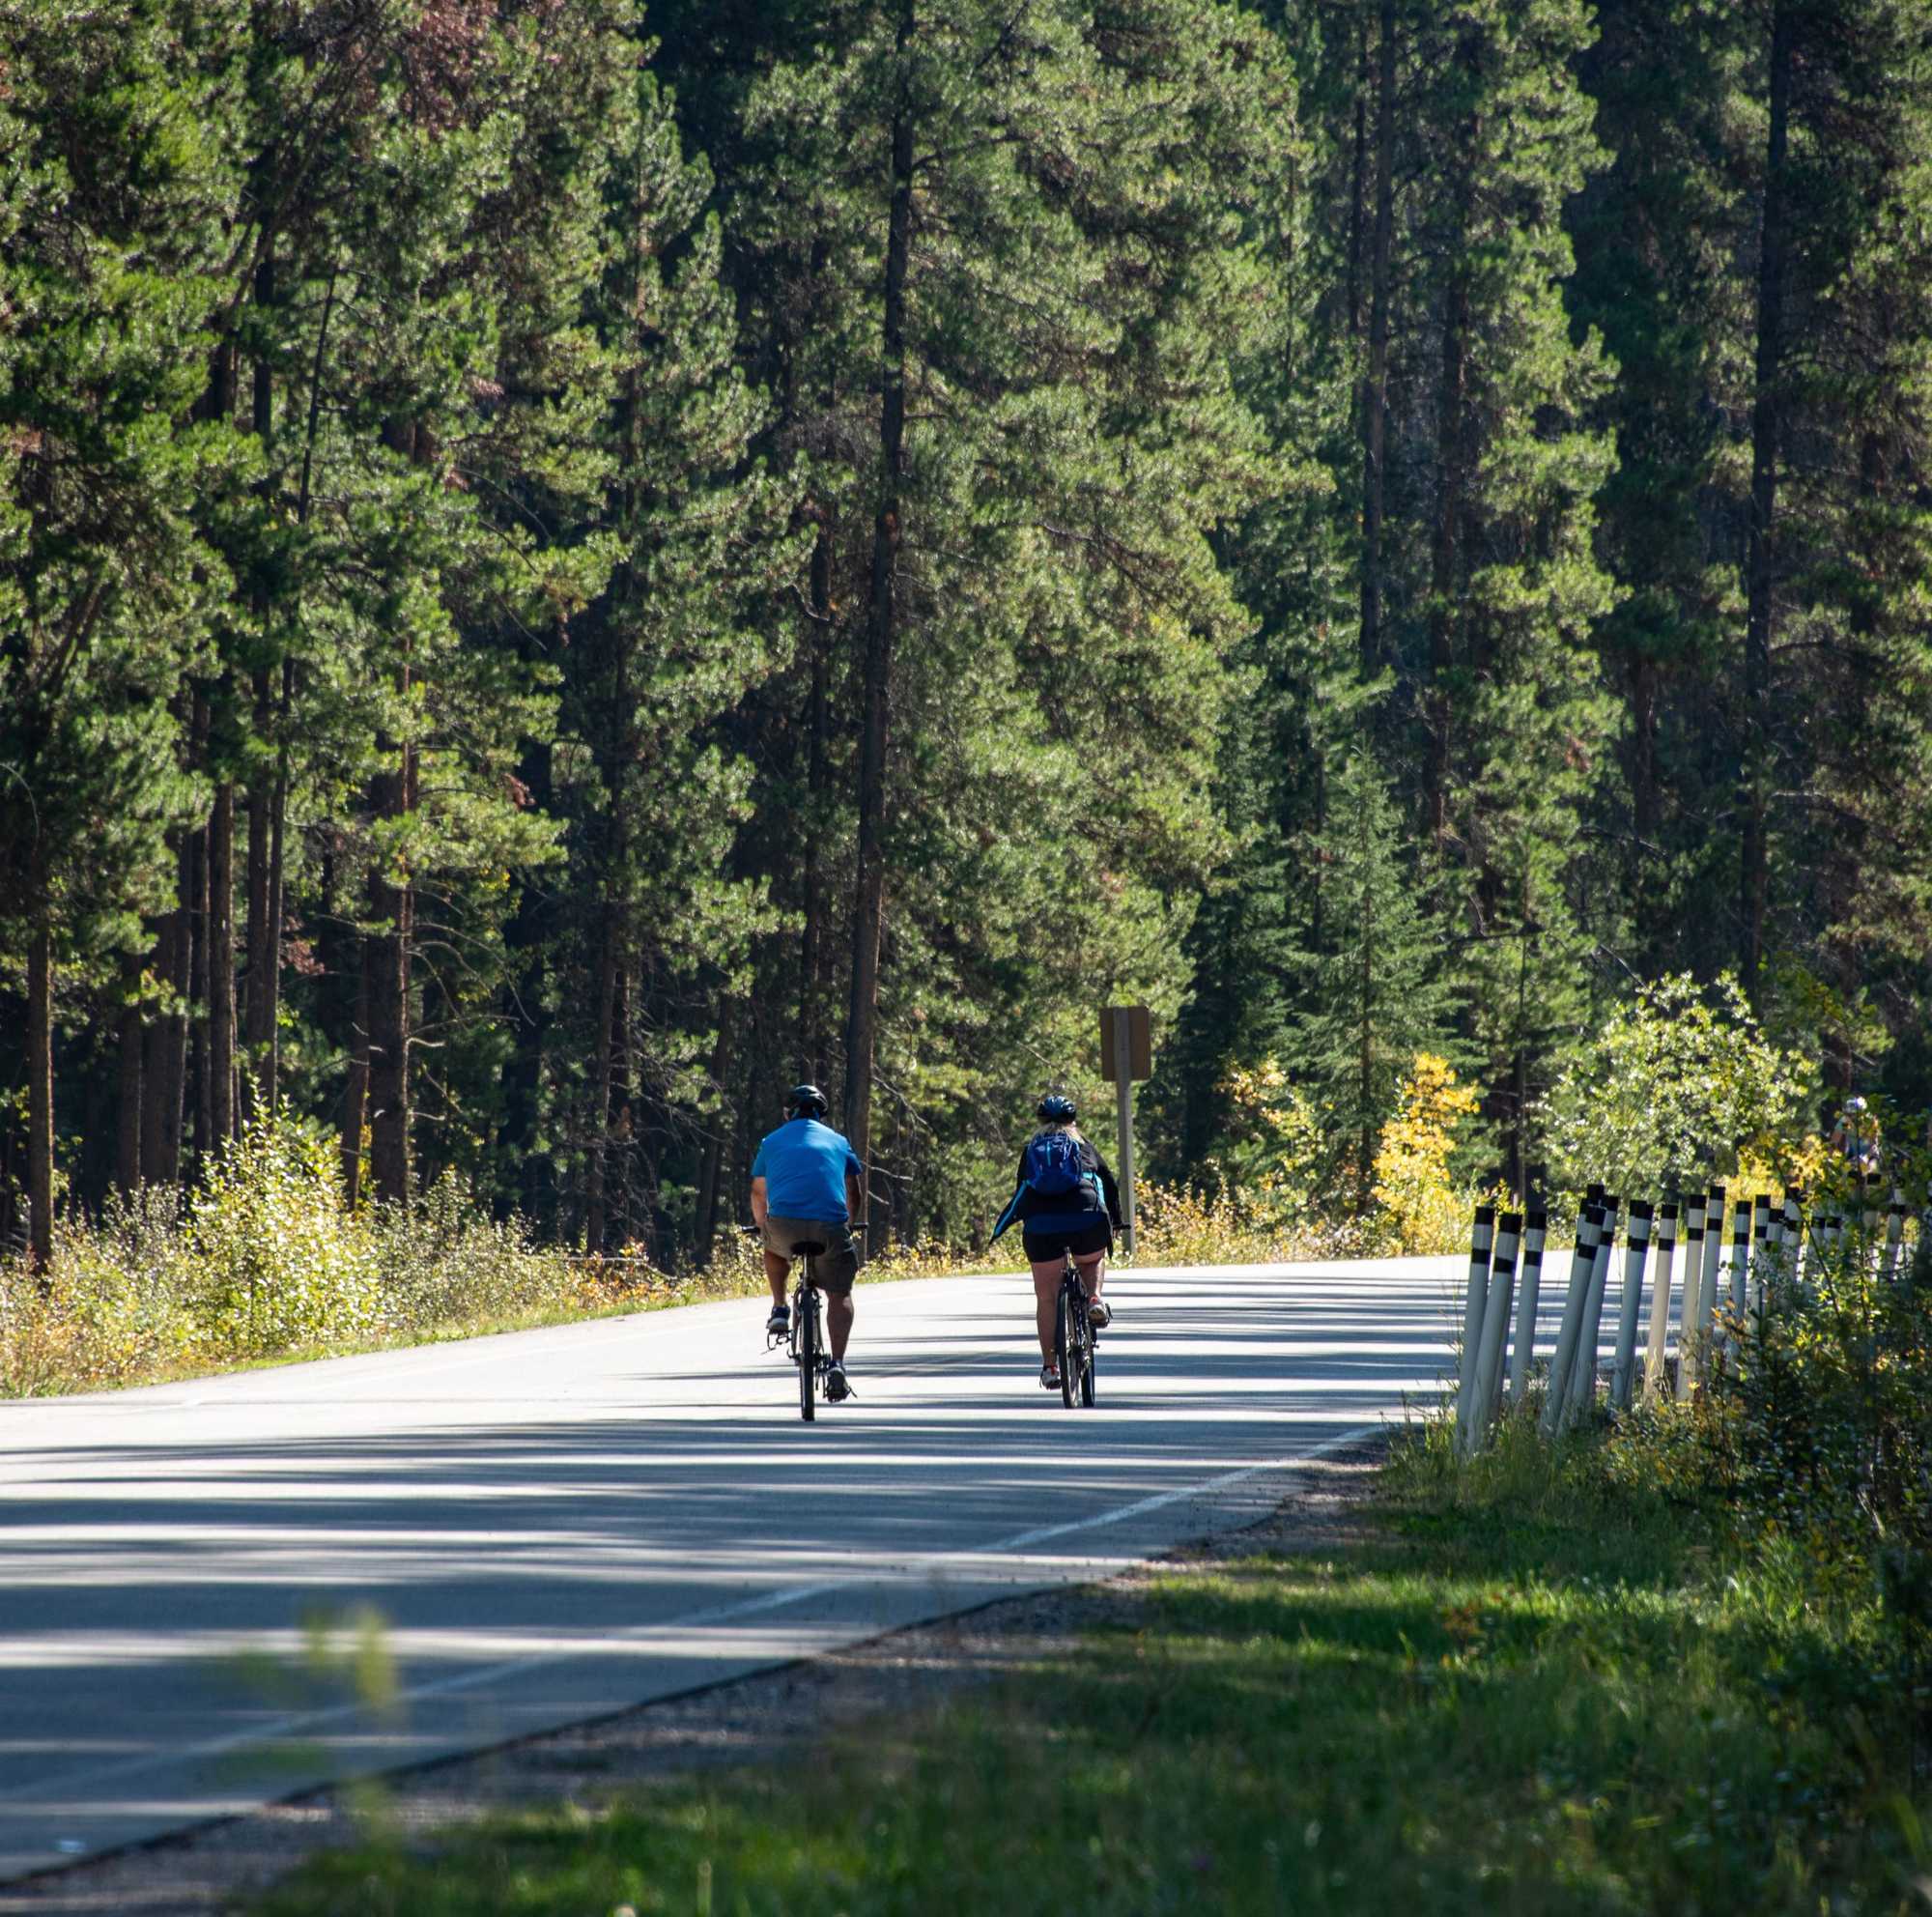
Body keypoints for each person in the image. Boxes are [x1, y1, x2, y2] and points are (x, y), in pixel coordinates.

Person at [991, 1094, 1124, 1391]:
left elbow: (1021, 1192)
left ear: (1040, 1122)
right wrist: (1115, 1223)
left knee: (1047, 1298)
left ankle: (1051, 1367)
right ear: (1072, 1121)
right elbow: (1109, 1184)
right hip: (1086, 1216)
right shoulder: (1083, 1145)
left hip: (1042, 1226)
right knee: (1092, 1259)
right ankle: (1094, 1298)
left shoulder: (1031, 1150)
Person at [751, 1084, 864, 1402]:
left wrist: (762, 1226)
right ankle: (837, 1364)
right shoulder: (839, 1141)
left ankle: (779, 1307)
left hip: (784, 1224)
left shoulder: (771, 1142)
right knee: (839, 1293)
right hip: (830, 1225)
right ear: (820, 1114)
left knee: (773, 1249)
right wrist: (848, 1225)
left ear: (789, 1113)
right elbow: (853, 1191)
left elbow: (758, 1192)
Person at [1829, 1095, 1882, 1176]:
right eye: (1849, 1114)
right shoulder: (1846, 1121)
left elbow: (1874, 1143)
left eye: (1854, 1114)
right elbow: (1834, 1141)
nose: (1851, 1118)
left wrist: (1867, 1160)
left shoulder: (1870, 1122)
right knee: (1850, 1176)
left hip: (1869, 1154)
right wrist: (1828, 1159)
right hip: (1852, 1156)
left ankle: (1872, 1180)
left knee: (1873, 1174)